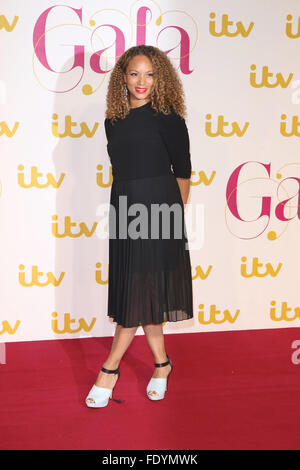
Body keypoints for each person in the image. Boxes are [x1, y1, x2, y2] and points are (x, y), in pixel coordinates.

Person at [86, 45, 193, 408]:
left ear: (159, 77)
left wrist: (171, 222)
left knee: (138, 291)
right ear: (123, 77)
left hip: (160, 209)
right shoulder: (112, 120)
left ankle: (109, 369)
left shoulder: (168, 117)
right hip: (126, 207)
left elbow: (182, 174)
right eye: (134, 73)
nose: (142, 81)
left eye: (149, 74)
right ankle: (162, 364)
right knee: (145, 290)